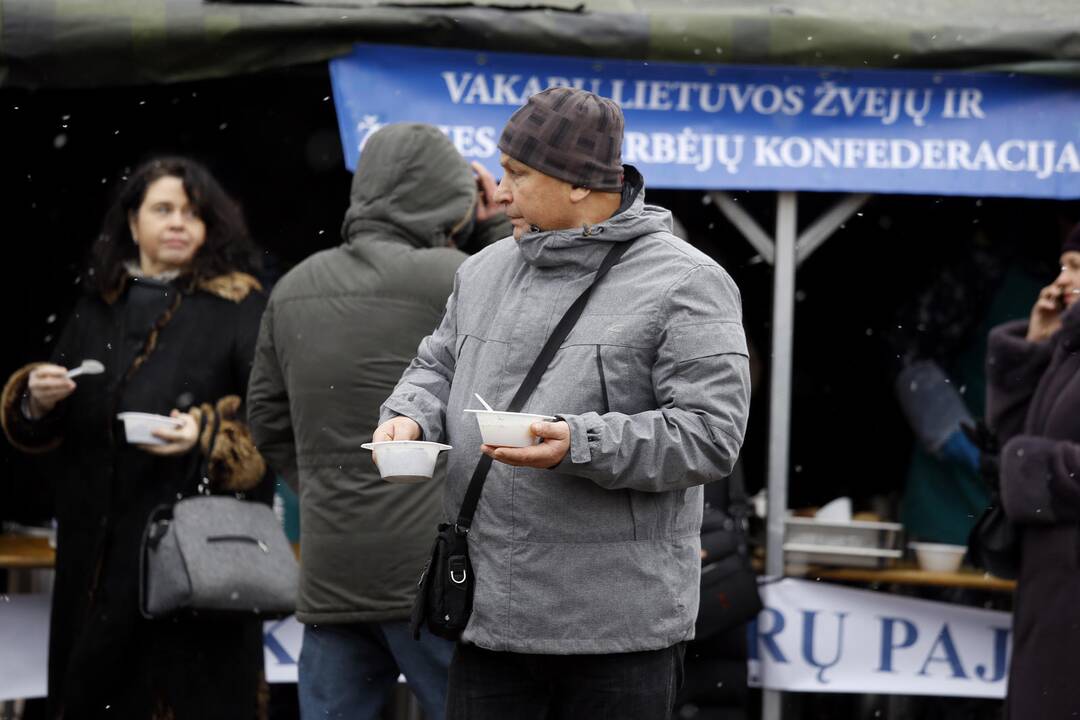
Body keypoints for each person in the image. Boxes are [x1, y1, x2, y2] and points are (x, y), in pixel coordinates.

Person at [373, 87, 751, 719]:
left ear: (579, 183)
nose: (499, 190)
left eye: (518, 173)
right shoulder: (482, 271)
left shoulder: (689, 282)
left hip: (617, 635)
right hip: (486, 614)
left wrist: (579, 442)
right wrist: (409, 415)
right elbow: (436, 365)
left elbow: (712, 436)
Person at [246, 123, 509, 720]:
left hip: (331, 568)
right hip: (438, 574)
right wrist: (493, 225)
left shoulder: (292, 288)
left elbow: (263, 417)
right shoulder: (461, 276)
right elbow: (529, 316)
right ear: (449, 195)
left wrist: (321, 479)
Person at [0, 157, 271, 719]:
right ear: (131, 223)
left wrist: (208, 434)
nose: (178, 224)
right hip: (98, 557)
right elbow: (49, 426)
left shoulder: (242, 305)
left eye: (193, 214)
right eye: (164, 210)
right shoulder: (99, 306)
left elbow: (272, 420)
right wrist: (36, 398)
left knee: (191, 697)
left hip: (195, 561)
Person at [984, 221, 1080, 717]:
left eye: (1078, 268)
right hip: (1051, 584)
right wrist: (1035, 348)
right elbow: (1011, 439)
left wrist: (1033, 467)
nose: (1061, 281)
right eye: (1063, 266)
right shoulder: (1069, 350)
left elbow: (1021, 456)